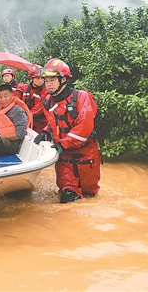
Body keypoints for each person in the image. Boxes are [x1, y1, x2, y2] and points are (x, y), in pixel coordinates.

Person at [33, 58, 101, 203]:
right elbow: (54, 123)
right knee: (68, 197)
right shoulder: (48, 102)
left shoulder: (81, 97)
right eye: (46, 81)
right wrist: (46, 132)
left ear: (63, 79)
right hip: (65, 159)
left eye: (52, 80)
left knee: (90, 198)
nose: (48, 84)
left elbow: (84, 129)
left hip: (86, 156)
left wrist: (61, 145)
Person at [17, 64, 49, 133]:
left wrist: (25, 114)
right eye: (37, 78)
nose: (40, 80)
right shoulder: (24, 89)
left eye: (42, 78)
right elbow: (17, 101)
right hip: (26, 120)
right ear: (31, 78)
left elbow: (39, 107)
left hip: (40, 123)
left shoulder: (46, 92)